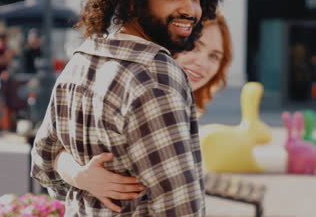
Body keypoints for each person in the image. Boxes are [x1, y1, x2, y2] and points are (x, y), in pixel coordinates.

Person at [31, 0, 226, 215]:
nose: (190, 10)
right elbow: (179, 207)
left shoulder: (83, 59)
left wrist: (78, 175)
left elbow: (43, 161)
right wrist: (80, 175)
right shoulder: (156, 76)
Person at [53, 13, 233, 212]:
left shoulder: (181, 102)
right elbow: (53, 149)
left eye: (214, 56)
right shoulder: (132, 86)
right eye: (195, 46)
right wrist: (80, 176)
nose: (202, 62)